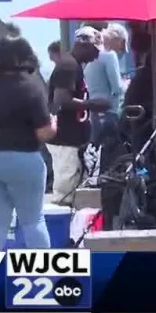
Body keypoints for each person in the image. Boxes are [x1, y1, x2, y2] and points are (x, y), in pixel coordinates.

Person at [0, 35, 56, 250]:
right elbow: (44, 133)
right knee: (32, 220)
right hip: (21, 158)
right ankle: (41, 277)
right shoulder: (30, 85)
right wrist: (54, 122)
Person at [46, 30, 108, 205]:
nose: (96, 56)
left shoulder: (74, 65)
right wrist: (93, 104)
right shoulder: (68, 66)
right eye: (94, 51)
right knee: (65, 193)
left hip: (73, 139)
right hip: (64, 139)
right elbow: (61, 100)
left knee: (73, 189)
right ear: (83, 45)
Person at [80, 26, 123, 174]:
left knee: (95, 155)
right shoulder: (109, 56)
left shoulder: (88, 60)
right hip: (109, 111)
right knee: (110, 159)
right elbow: (117, 88)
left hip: (94, 114)